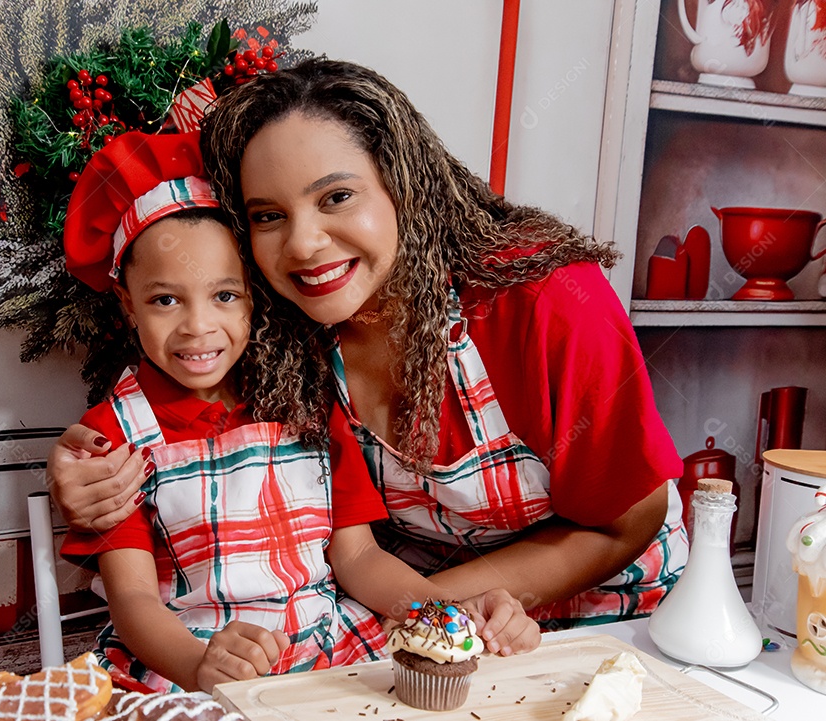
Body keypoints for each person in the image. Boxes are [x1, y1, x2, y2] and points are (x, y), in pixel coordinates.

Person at [49, 59, 688, 630]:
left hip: (609, 620)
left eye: (337, 197)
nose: (303, 245)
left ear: (405, 184)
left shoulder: (542, 298)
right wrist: (83, 474)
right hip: (408, 619)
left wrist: (432, 614)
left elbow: (623, 524)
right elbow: (189, 434)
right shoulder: (278, 324)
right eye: (268, 216)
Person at [59, 130, 539, 694]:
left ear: (253, 296)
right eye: (165, 300)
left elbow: (358, 557)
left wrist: (445, 612)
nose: (198, 327)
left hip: (330, 649)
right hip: (193, 661)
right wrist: (198, 666)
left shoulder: (305, 397)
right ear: (127, 304)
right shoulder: (114, 435)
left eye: (225, 296)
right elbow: (134, 600)